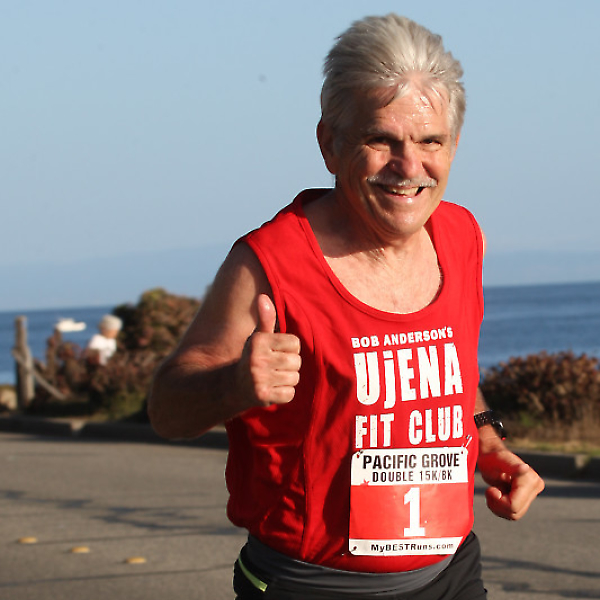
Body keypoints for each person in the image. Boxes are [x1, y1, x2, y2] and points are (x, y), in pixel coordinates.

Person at [148, 13, 544, 599]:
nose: (408, 167)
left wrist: (486, 441)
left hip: (450, 576)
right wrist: (234, 385)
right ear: (330, 144)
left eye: (430, 141)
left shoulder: (463, 237)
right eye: (381, 140)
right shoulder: (269, 262)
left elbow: (447, 372)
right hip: (310, 585)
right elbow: (166, 410)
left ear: (454, 146)